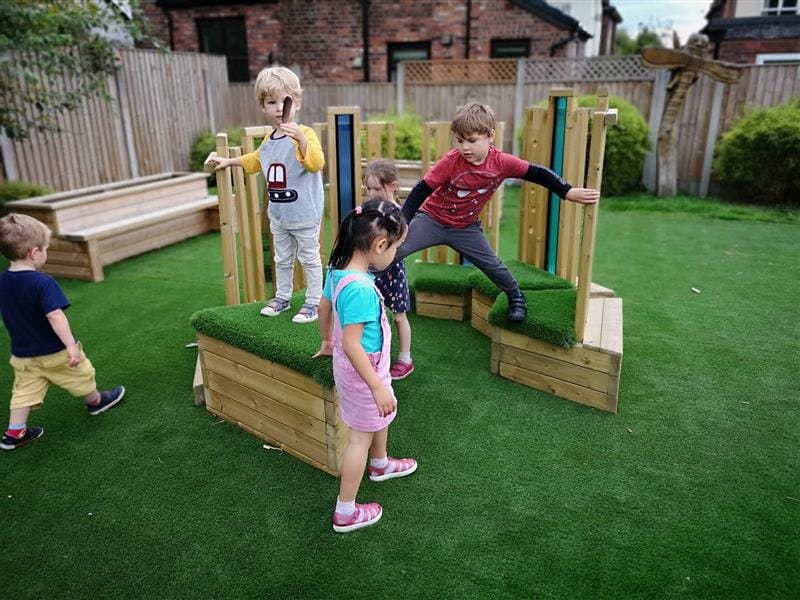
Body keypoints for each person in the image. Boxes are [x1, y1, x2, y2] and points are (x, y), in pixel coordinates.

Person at [396, 102, 600, 322]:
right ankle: (362, 284)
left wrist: (567, 191)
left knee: (493, 265)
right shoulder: (451, 162)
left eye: (472, 141)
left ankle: (516, 296)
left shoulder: (501, 163)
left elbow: (537, 173)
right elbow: (421, 189)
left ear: (490, 135)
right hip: (432, 220)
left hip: (466, 228)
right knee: (395, 250)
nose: (465, 147)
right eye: (460, 140)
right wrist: (403, 222)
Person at [313, 198, 417, 533]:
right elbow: (353, 343)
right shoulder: (359, 288)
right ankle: (345, 510)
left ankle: (381, 463)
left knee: (378, 418)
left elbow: (323, 307)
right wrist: (376, 384)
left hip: (358, 366)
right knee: (360, 436)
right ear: (379, 244)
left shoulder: (338, 268)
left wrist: (326, 340)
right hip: (363, 370)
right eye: (395, 248)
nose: (394, 256)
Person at [209, 66, 325, 324]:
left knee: (309, 259)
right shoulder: (270, 139)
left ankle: (314, 302)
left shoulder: (305, 134)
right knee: (281, 259)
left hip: (305, 214)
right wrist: (230, 162)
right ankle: (282, 298)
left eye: (283, 101)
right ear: (263, 106)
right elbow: (257, 159)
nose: (277, 108)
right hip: (280, 215)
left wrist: (301, 141)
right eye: (270, 102)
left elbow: (316, 163)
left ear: (297, 103)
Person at [0, 214, 125, 451]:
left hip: (23, 355)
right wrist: (70, 346)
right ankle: (96, 401)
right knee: (80, 375)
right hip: (54, 351)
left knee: (24, 390)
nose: (46, 252)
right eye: (46, 248)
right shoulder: (42, 282)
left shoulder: (3, 281)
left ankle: (14, 433)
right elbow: (54, 315)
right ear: (34, 252)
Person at [363, 159, 414, 380]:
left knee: (399, 316)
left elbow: (402, 240)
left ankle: (405, 359)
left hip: (393, 272)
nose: (372, 193)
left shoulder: (400, 213)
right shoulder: (368, 210)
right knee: (372, 316)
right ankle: (375, 357)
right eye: (368, 188)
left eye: (377, 188)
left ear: (392, 186)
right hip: (372, 271)